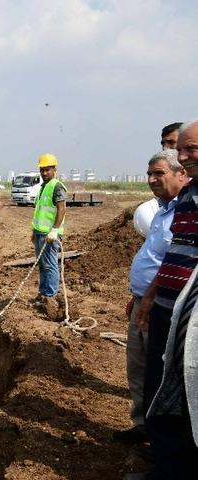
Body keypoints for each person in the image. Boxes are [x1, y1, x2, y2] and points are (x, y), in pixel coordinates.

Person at [137, 119, 198, 477]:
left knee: (186, 396)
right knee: (162, 386)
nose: (184, 155)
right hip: (167, 311)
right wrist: (150, 296)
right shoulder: (188, 198)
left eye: (191, 149)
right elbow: (176, 253)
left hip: (189, 320)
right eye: (181, 149)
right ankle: (166, 464)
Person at [116, 149, 186, 446]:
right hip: (143, 301)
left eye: (159, 173)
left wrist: (148, 297)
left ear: (181, 174)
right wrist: (138, 295)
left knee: (159, 372)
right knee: (138, 366)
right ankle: (143, 424)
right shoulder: (163, 210)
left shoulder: (184, 213)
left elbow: (174, 262)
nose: (152, 179)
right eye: (149, 174)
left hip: (161, 305)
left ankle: (162, 441)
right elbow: (154, 256)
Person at [30, 153, 66, 311]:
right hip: (39, 233)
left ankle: (50, 297)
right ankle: (43, 294)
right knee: (42, 265)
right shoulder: (43, 187)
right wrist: (34, 231)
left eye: (47, 170)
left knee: (50, 265)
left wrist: (55, 230)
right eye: (42, 170)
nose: (44, 173)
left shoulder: (56, 186)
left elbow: (61, 209)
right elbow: (40, 211)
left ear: (54, 169)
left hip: (49, 235)